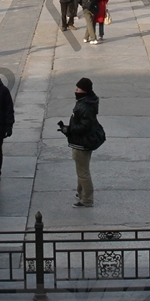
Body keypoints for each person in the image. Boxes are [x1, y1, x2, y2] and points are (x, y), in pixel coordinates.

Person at [59, 76, 104, 208]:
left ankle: (87, 199)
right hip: (82, 141)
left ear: (84, 90)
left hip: (82, 143)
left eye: (78, 88)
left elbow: (85, 126)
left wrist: (69, 130)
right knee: (81, 170)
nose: (76, 90)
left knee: (83, 172)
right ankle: (81, 192)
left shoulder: (85, 105)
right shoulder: (87, 102)